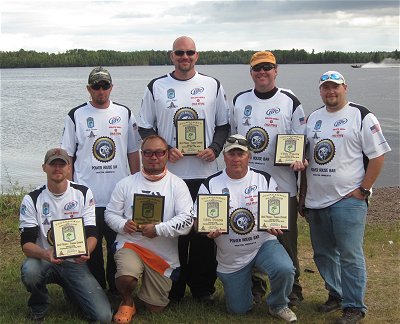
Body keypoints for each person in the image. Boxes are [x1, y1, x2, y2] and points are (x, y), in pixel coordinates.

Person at [138, 36, 230, 302]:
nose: (184, 57)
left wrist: (215, 147)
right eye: (180, 53)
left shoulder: (212, 85)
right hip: (171, 176)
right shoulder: (156, 86)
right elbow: (145, 126)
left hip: (205, 174)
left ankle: (202, 288)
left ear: (197, 55)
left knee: (204, 234)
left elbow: (223, 125)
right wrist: (165, 147)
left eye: (189, 52)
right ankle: (174, 287)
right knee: (173, 236)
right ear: (172, 56)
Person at [299, 71, 391, 324]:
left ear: (345, 88)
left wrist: (364, 189)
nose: (331, 92)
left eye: (335, 87)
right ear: (320, 91)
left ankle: (354, 307)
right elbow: (306, 161)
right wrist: (303, 195)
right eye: (326, 88)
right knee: (323, 254)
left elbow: (378, 155)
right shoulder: (313, 118)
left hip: (348, 199)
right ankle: (337, 294)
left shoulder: (361, 115)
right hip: (317, 200)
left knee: (350, 254)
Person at [194, 134, 297, 322]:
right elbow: (197, 221)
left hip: (263, 244)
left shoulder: (264, 179)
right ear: (223, 156)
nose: (235, 158)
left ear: (248, 156)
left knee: (285, 268)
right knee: (238, 310)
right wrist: (205, 230)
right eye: (231, 154)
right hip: (232, 257)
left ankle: (278, 304)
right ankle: (247, 283)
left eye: (240, 154)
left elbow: (276, 211)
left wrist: (275, 223)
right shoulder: (209, 184)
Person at [231, 51, 306, 305]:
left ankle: (293, 288)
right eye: (257, 68)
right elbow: (233, 140)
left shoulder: (290, 100)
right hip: (248, 185)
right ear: (250, 72)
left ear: (276, 70)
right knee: (248, 235)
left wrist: (299, 158)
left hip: (282, 186)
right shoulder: (240, 100)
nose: (262, 72)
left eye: (267, 67)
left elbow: (301, 139)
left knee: (285, 239)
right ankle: (256, 286)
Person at [61, 66, 141, 294]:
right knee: (90, 249)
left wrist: (136, 185)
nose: (101, 90)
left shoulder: (124, 113)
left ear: (111, 87)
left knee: (118, 247)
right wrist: (69, 191)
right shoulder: (76, 115)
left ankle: (116, 290)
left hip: (119, 197)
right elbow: (68, 156)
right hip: (88, 197)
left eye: (105, 86)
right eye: (96, 86)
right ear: (89, 89)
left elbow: (133, 152)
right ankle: (95, 288)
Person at [104, 135, 193, 323]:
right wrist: (123, 224)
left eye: (159, 152)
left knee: (155, 308)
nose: (154, 157)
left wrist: (158, 229)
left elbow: (187, 221)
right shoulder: (126, 183)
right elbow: (109, 214)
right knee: (126, 277)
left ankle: (147, 290)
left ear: (167, 155)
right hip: (131, 244)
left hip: (161, 253)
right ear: (142, 155)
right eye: (148, 152)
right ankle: (127, 301)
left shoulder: (178, 185)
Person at [19, 148, 112, 323]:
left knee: (103, 317)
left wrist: (87, 251)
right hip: (44, 260)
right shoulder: (31, 199)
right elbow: (26, 244)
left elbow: (92, 233)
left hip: (74, 263)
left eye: (62, 164)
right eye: (52, 164)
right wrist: (45, 254)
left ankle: (71, 290)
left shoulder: (83, 193)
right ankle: (38, 306)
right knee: (30, 271)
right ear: (44, 167)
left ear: (69, 168)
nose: (57, 168)